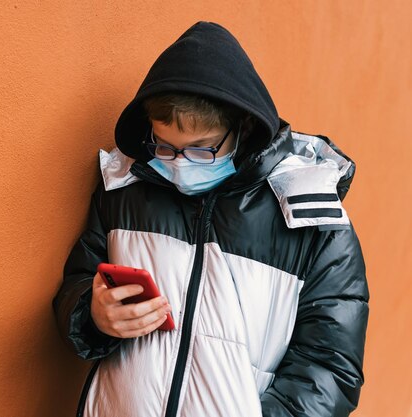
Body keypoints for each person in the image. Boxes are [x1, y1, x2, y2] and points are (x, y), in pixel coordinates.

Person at [52, 21, 369, 417]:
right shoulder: (124, 187)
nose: (181, 165)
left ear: (244, 127)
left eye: (202, 150)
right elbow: (79, 282)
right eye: (165, 147)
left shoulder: (310, 214)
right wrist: (92, 314)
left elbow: (330, 365)